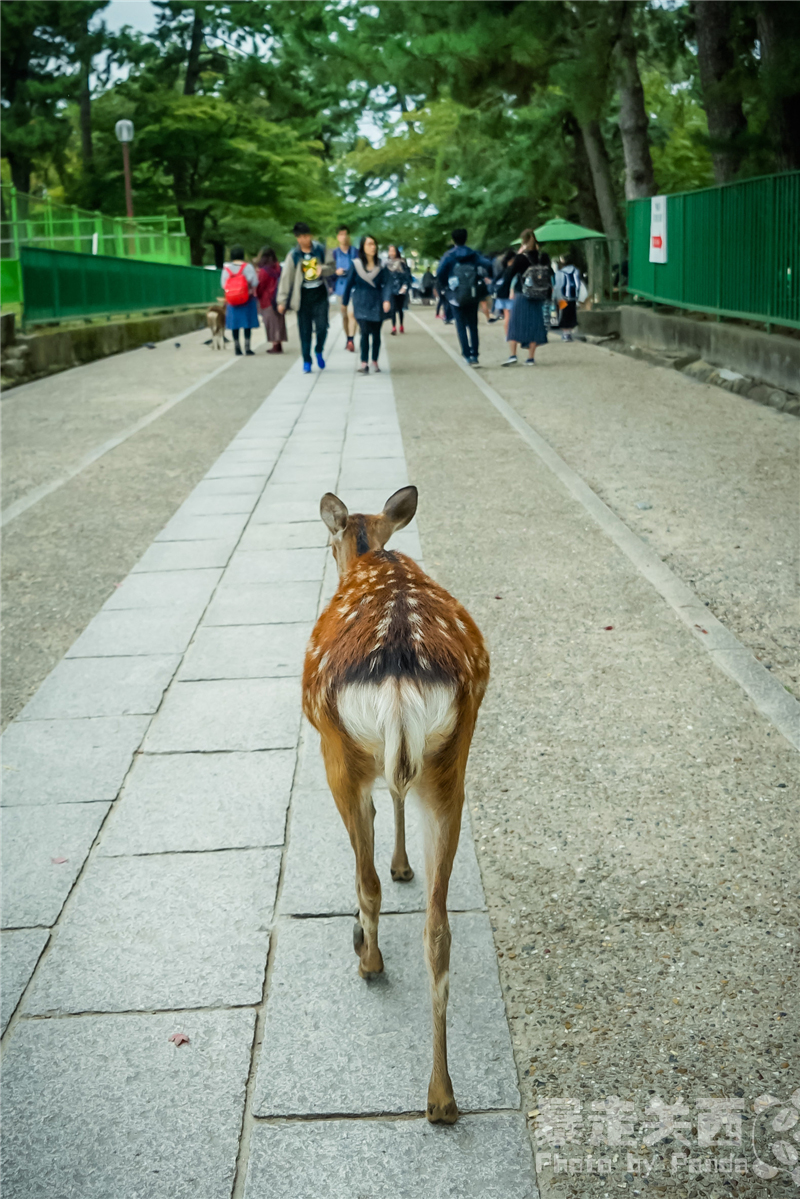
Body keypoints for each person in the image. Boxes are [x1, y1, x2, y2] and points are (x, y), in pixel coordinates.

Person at [276, 221, 333, 373]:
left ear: (311, 236)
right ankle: (306, 360)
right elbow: (286, 278)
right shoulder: (294, 255)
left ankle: (319, 349)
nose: (304, 240)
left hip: (319, 294)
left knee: (322, 327)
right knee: (305, 330)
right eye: (300, 237)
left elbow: (332, 267)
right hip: (302, 297)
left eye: (306, 236)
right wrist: (282, 300)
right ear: (297, 238)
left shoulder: (320, 249)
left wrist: (323, 269)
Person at [434, 227, 493, 367]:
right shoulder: (473, 255)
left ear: (453, 239)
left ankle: (466, 354)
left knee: (460, 325)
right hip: (472, 293)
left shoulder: (449, 256)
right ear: (466, 238)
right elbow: (488, 265)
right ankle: (475, 354)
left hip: (455, 294)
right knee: (473, 325)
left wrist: (445, 286)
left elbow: (440, 272)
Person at [341, 234, 392, 375]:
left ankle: (374, 360)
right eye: (369, 244)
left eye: (374, 244)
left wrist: (386, 299)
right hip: (361, 300)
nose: (372, 247)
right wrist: (344, 302)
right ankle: (364, 363)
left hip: (377, 300)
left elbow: (387, 283)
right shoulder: (356, 264)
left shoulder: (381, 265)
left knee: (376, 333)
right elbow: (349, 284)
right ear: (363, 247)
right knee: (364, 332)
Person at [500, 229, 552, 366]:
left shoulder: (521, 258)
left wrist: (518, 255)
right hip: (538, 295)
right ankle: (530, 358)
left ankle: (513, 355)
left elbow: (509, 274)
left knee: (515, 324)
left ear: (522, 242)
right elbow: (549, 273)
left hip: (522, 293)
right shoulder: (543, 257)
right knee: (534, 324)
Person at [221, 245, 259, 356]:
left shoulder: (226, 269)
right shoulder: (248, 267)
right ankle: (247, 348)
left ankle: (237, 348)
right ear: (242, 255)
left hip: (232, 301)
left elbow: (223, 285)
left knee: (235, 324)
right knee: (247, 324)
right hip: (247, 299)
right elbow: (255, 282)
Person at [331, 224, 359, 351]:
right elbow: (328, 270)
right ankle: (348, 337)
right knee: (345, 316)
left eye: (345, 234)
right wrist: (335, 272)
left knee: (352, 314)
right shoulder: (334, 254)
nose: (344, 237)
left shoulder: (355, 252)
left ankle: (351, 340)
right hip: (340, 288)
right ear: (337, 237)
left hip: (354, 287)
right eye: (341, 234)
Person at [255, 246, 287, 354]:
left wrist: (257, 296)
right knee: (279, 321)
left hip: (267, 299)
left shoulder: (264, 271)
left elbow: (260, 286)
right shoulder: (279, 268)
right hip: (279, 298)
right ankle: (279, 343)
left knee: (271, 323)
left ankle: (275, 344)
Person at [553, 252, 582, 341]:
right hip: (573, 297)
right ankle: (569, 333)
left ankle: (565, 334)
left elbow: (558, 286)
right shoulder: (576, 271)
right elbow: (578, 285)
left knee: (563, 315)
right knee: (571, 315)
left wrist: (556, 297)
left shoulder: (560, 272)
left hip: (563, 297)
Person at [385, 244, 412, 334]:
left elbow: (407, 276)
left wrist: (404, 286)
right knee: (392, 308)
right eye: (390, 251)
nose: (391, 253)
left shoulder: (402, 263)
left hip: (401, 289)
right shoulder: (386, 264)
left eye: (393, 251)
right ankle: (393, 327)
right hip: (390, 288)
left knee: (400, 308)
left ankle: (401, 325)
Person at [491, 247, 516, 337]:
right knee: (510, 317)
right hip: (510, 296)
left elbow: (494, 281)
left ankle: (507, 336)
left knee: (506, 317)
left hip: (501, 295)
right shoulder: (512, 271)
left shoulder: (504, 270)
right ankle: (511, 335)